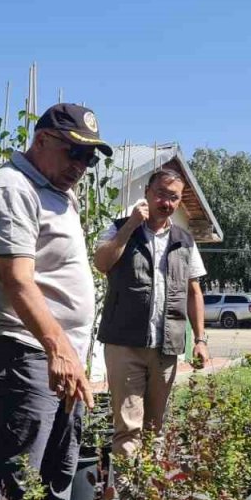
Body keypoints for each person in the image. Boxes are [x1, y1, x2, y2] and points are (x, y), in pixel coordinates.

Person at [0, 103, 112, 500]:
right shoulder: (10, 189)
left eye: (90, 159)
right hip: (27, 355)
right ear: (41, 139)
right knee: (7, 485)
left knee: (54, 478)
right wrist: (58, 348)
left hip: (60, 359)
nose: (81, 167)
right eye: (73, 152)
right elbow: (17, 281)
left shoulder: (56, 193)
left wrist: (74, 354)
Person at [92, 167, 211, 458]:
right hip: (124, 343)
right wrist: (131, 225)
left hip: (167, 346)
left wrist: (199, 339)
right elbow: (102, 263)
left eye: (173, 198)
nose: (166, 203)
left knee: (155, 428)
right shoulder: (119, 228)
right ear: (147, 192)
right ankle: (126, 497)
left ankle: (151, 496)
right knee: (128, 427)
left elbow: (194, 291)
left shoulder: (184, 240)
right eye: (160, 194)